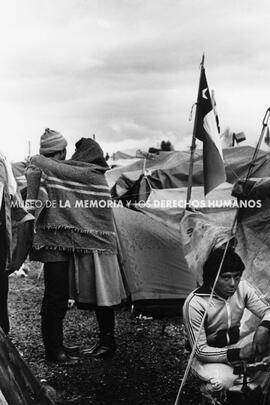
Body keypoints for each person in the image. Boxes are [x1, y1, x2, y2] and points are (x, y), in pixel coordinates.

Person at [183, 246, 270, 401]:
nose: (233, 283)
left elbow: (268, 310)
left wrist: (264, 327)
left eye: (237, 276)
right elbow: (200, 351)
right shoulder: (196, 303)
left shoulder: (243, 288)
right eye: (226, 277)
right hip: (206, 357)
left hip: (234, 344)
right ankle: (209, 391)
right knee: (224, 382)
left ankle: (256, 390)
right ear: (212, 277)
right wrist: (239, 354)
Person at [70, 137, 126, 358]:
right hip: (95, 245)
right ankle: (104, 340)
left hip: (100, 247)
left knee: (104, 296)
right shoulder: (96, 176)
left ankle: (108, 343)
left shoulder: (93, 178)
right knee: (100, 296)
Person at [27, 128, 79, 365]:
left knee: (57, 295)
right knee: (55, 297)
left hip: (57, 241)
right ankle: (54, 351)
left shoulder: (44, 171)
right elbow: (38, 205)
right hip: (51, 243)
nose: (66, 155)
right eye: (63, 151)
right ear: (57, 152)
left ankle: (57, 344)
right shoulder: (45, 173)